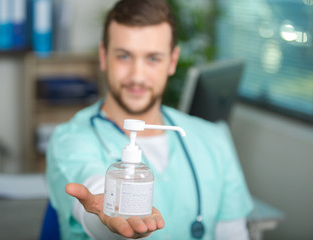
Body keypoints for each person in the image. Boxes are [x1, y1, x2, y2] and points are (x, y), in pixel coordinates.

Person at [46, 0, 253, 239]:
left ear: (172, 61)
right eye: (124, 56)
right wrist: (107, 215)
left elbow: (233, 234)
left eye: (153, 58)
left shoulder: (213, 140)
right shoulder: (71, 140)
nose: (137, 76)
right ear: (103, 57)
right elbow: (91, 193)